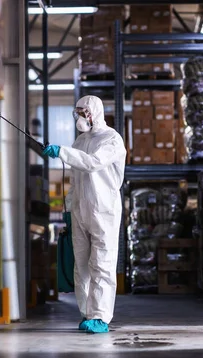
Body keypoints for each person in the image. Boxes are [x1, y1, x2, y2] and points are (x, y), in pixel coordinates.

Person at [42, 95, 126, 334]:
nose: (79, 116)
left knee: (102, 263)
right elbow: (76, 180)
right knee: (82, 266)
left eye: (83, 111)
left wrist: (62, 152)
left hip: (104, 211)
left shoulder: (112, 139)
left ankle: (100, 317)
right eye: (77, 111)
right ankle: (86, 313)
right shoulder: (80, 141)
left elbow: (92, 163)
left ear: (94, 112)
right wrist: (69, 209)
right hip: (80, 210)